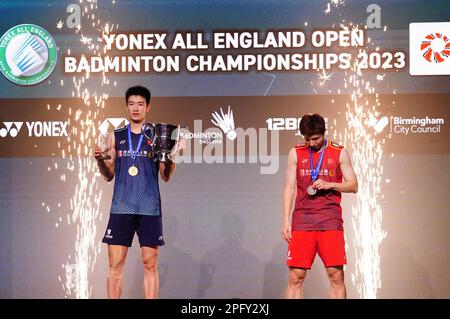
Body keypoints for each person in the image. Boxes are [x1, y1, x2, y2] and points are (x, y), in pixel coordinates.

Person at [94, 85, 184, 299]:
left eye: (140, 104)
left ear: (148, 107)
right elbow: (108, 175)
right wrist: (100, 161)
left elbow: (166, 176)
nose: (136, 108)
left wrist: (173, 155)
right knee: (115, 266)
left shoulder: (158, 136)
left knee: (150, 264)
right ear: (126, 106)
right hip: (121, 207)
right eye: (132, 104)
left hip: (149, 208)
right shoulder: (115, 137)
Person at [281, 113, 358, 299]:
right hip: (302, 221)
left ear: (324, 133)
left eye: (315, 138)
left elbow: (353, 185)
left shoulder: (339, 151)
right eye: (307, 139)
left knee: (336, 276)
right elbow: (289, 188)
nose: (312, 143)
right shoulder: (295, 153)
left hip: (330, 221)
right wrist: (285, 221)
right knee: (295, 277)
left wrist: (331, 184)